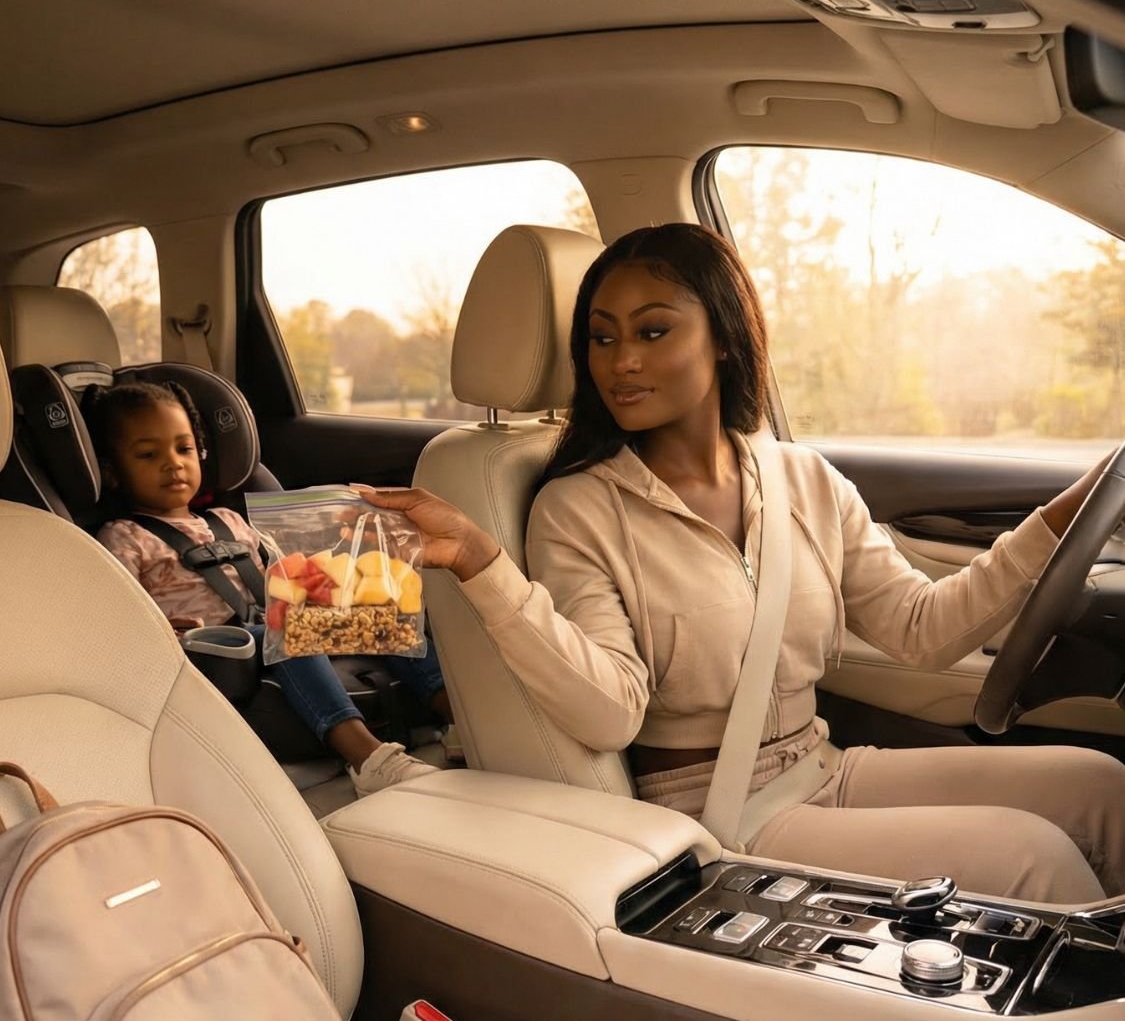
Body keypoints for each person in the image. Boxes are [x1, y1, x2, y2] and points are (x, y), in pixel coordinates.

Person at [352, 223, 1125, 903]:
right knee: (1032, 860)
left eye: (652, 332)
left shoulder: (802, 480)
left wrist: (1078, 503)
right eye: (602, 335)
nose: (620, 361)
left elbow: (919, 631)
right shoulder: (580, 506)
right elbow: (609, 710)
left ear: (721, 335)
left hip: (821, 764)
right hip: (716, 809)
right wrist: (485, 566)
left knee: (1100, 789)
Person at [89, 380, 436, 797]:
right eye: (148, 454)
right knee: (284, 631)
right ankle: (368, 758)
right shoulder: (123, 536)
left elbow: (276, 578)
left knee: (379, 614)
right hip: (210, 652)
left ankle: (456, 718)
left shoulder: (229, 520)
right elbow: (118, 615)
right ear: (112, 472)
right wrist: (161, 630)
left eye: (183, 449)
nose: (172, 464)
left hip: (264, 625)